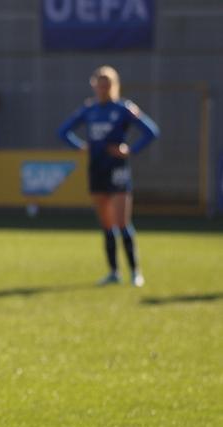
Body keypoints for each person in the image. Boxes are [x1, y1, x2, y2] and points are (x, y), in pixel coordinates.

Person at [58, 66, 159, 287]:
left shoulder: (124, 108)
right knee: (106, 223)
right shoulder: (89, 109)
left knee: (122, 221)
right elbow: (63, 131)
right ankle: (114, 272)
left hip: (118, 169)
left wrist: (130, 150)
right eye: (100, 84)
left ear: (114, 86)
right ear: (94, 85)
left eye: (108, 84)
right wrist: (80, 146)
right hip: (96, 168)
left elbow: (151, 131)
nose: (103, 88)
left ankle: (135, 272)